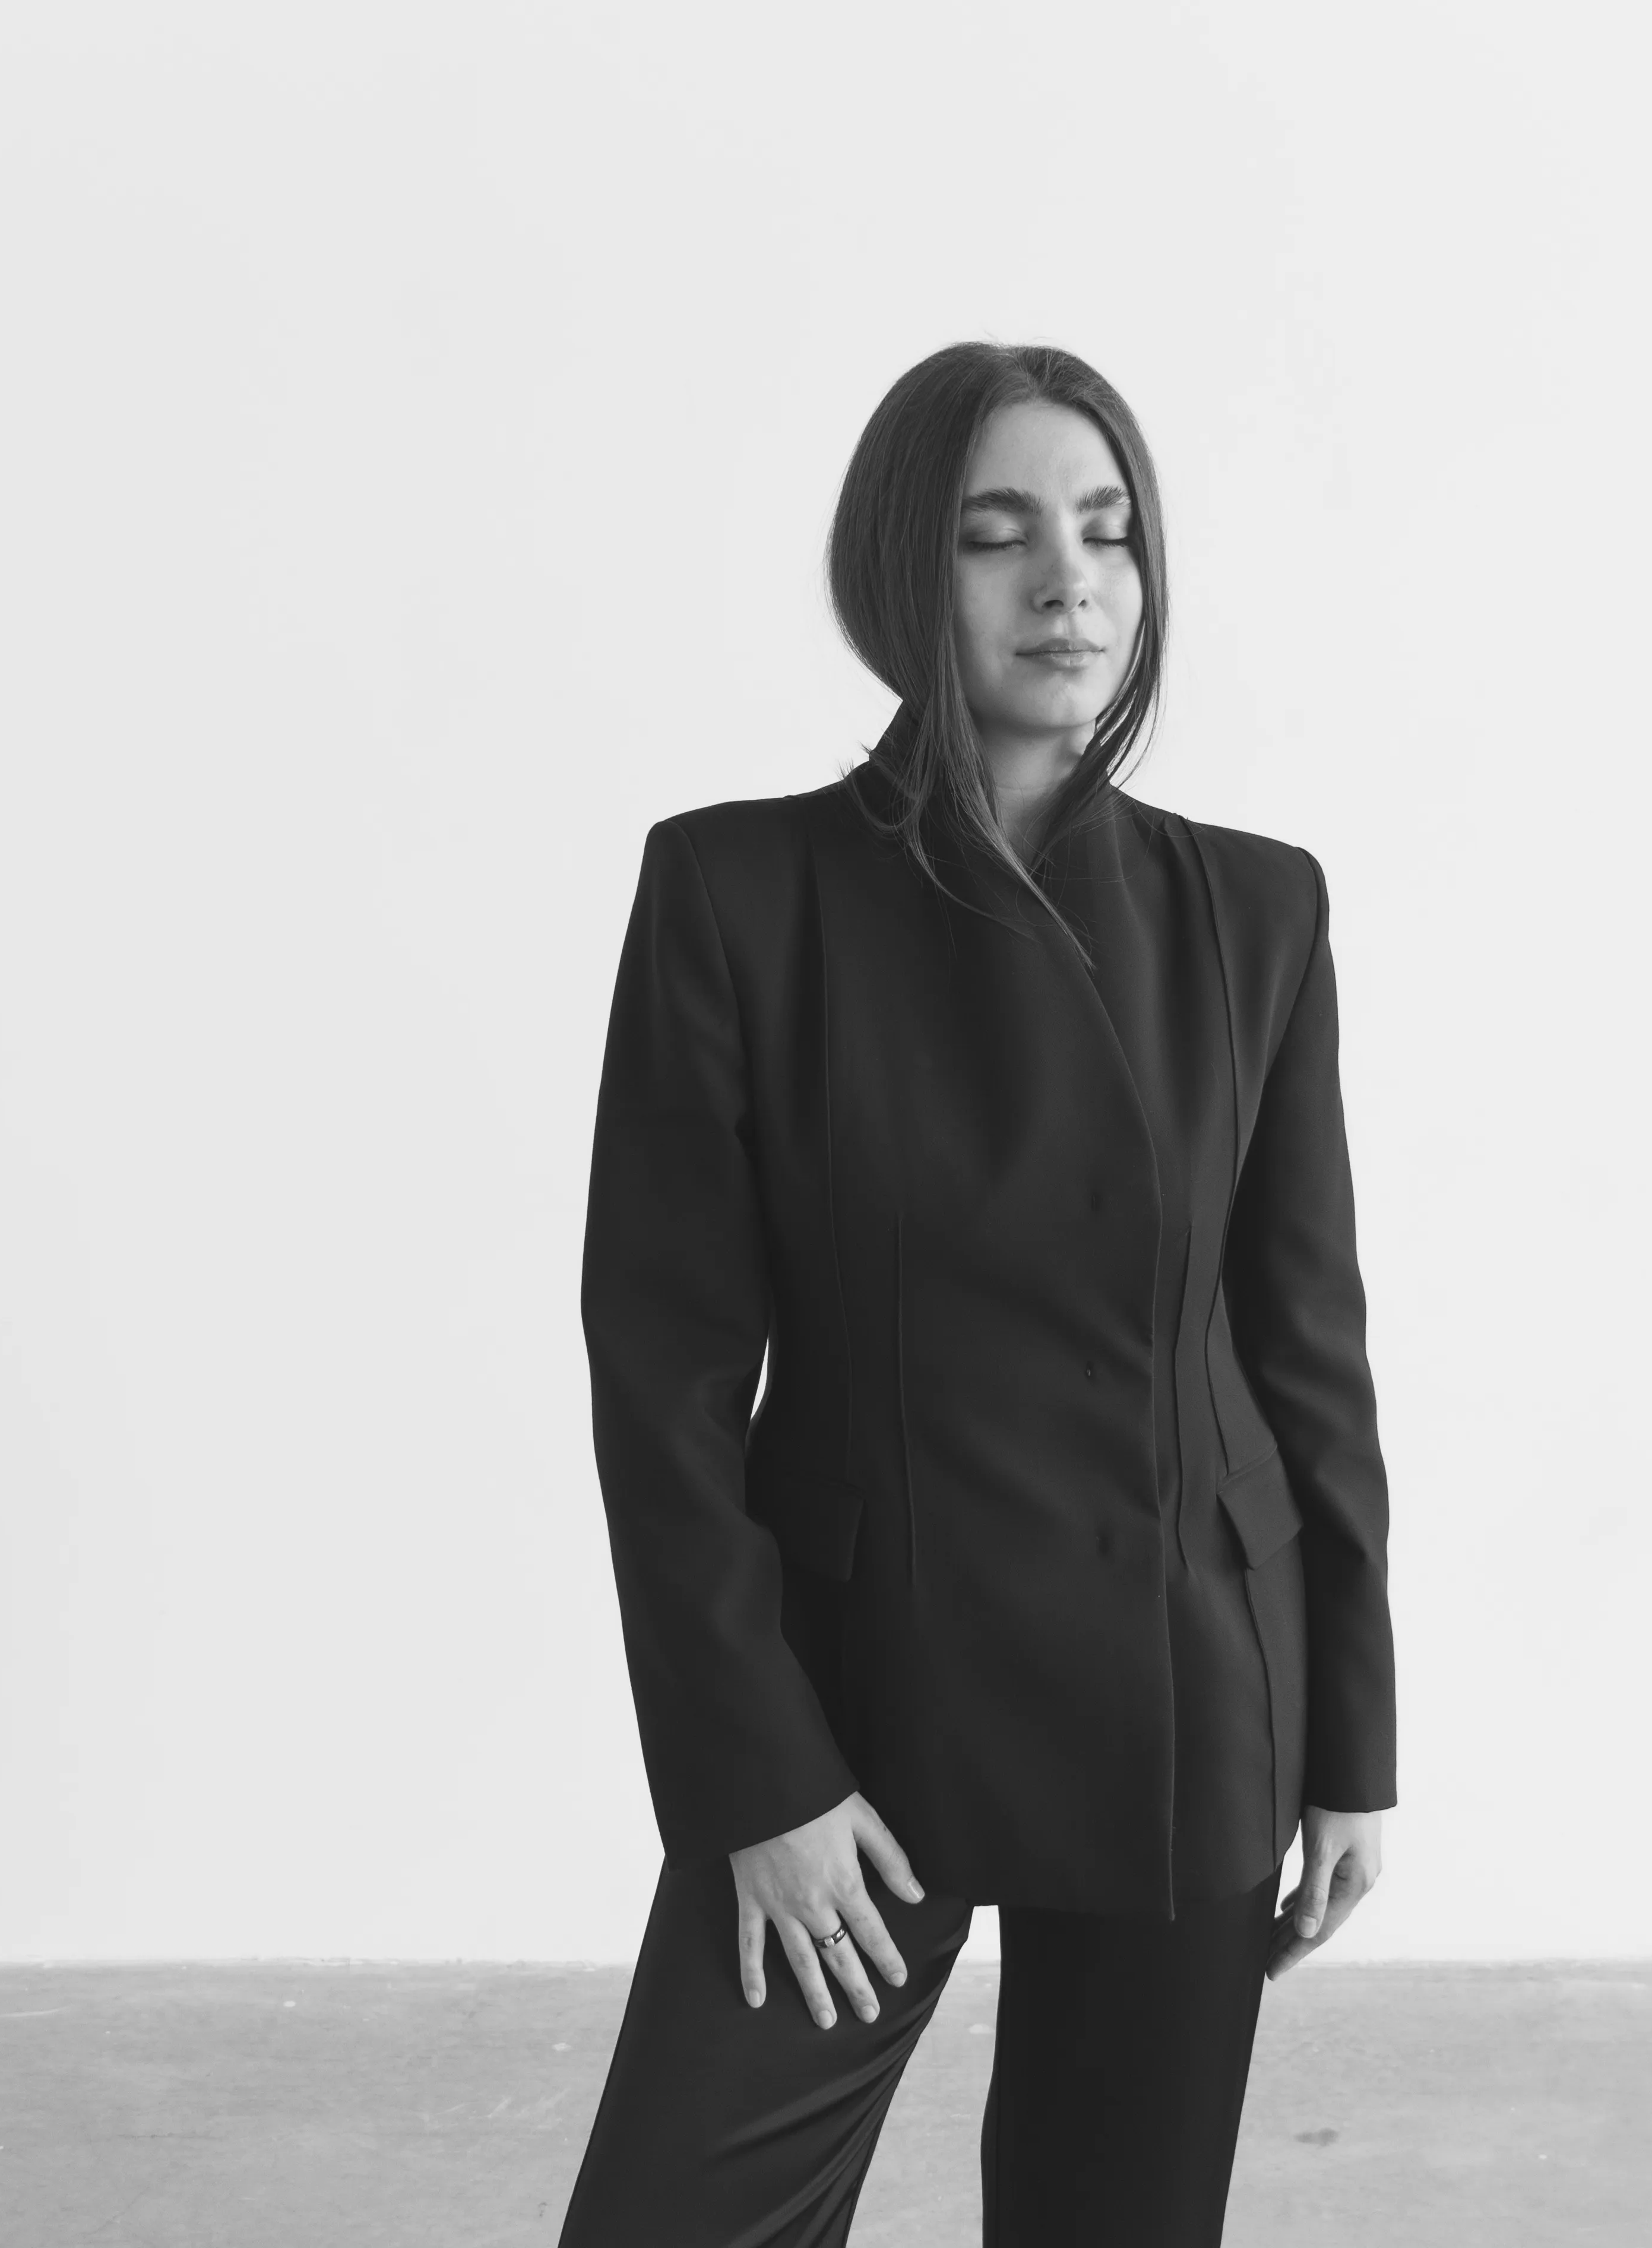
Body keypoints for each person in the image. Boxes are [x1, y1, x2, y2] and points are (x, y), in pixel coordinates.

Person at [558, 341, 1397, 2247]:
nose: (1068, 584)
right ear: (900, 577)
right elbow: (664, 1377)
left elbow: (1307, 1352)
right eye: (997, 536)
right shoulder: (735, 895)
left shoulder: (1255, 912)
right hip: (855, 1704)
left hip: (1187, 1688)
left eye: (1106, 534)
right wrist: (753, 1778)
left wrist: (1347, 1730)